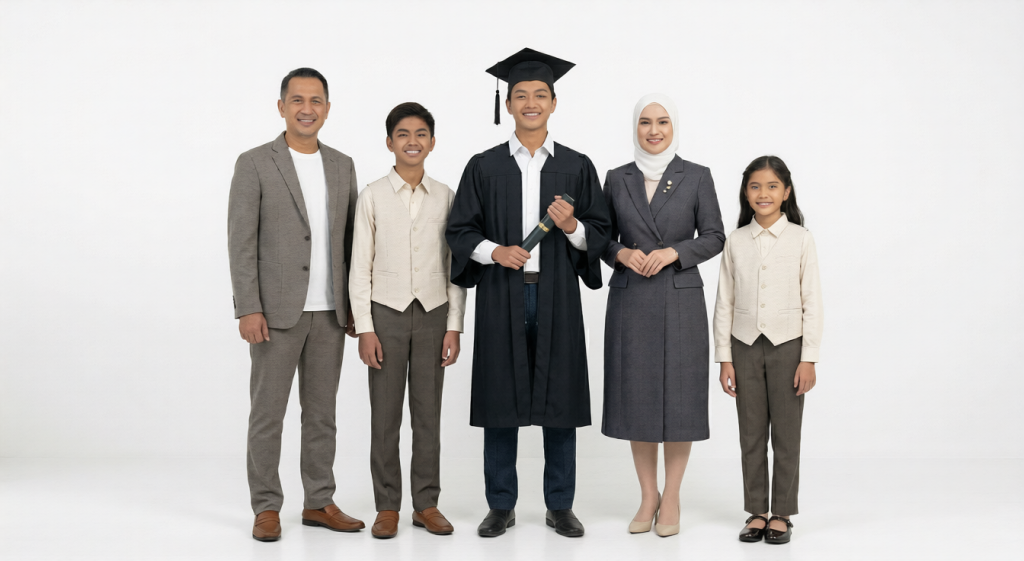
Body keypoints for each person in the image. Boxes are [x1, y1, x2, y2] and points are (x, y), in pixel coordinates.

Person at [445, 48, 611, 538]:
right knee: (501, 398)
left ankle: (560, 505)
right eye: (521, 95)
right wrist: (495, 251)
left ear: (554, 103)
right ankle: (501, 505)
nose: (531, 103)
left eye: (540, 94)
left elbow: (599, 232)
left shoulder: (577, 166)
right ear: (509, 103)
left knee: (558, 397)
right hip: (501, 294)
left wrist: (573, 224)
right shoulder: (484, 165)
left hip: (556, 293)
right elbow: (459, 231)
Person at [227, 67, 364, 542]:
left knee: (321, 413)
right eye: (298, 100)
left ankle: (319, 501)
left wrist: (354, 307)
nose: (308, 108)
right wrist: (248, 306)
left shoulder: (343, 165)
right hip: (274, 313)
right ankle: (266, 506)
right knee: (268, 413)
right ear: (281, 106)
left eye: (317, 100)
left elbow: (352, 241)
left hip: (331, 313)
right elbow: (241, 240)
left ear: (327, 107)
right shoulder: (255, 163)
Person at [601, 94, 725, 537]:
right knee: (638, 396)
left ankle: (671, 496)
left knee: (680, 397)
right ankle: (647, 494)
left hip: (679, 296)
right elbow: (601, 238)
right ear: (634, 128)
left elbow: (715, 236)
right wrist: (623, 253)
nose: (654, 130)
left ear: (675, 128)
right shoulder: (617, 178)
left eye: (663, 122)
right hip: (632, 296)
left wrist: (675, 251)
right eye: (645, 123)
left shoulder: (696, 176)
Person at [349, 102, 467, 539]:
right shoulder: (373, 195)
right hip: (386, 314)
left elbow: (455, 264)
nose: (412, 141)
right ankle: (387, 506)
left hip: (434, 313)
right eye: (403, 134)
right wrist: (365, 327)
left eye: (421, 134)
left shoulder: (447, 195)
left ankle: (427, 503)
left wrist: (454, 323)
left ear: (432, 142)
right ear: (389, 142)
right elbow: (360, 265)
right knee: (385, 415)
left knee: (427, 414)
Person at [713, 155, 823, 545]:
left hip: (788, 347)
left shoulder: (800, 238)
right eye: (756, 186)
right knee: (752, 433)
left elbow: (812, 300)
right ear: (746, 192)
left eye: (772, 186)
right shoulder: (736, 240)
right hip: (744, 347)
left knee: (787, 435)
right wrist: (724, 357)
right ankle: (757, 511)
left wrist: (808, 357)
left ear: (786, 192)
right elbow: (724, 300)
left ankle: (782, 513)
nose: (764, 193)